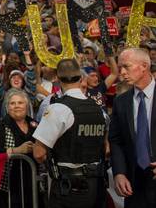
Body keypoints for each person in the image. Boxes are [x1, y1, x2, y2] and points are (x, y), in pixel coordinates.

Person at [33, 58, 107, 208]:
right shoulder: (97, 109)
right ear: (81, 78)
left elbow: (39, 153)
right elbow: (106, 148)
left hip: (68, 187)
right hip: (95, 185)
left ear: (58, 79)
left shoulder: (58, 108)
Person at [109, 48, 156, 207]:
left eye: (126, 66)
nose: (121, 72)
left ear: (144, 66)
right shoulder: (121, 102)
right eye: (119, 67)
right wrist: (119, 173)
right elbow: (116, 140)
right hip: (134, 185)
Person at [0, 88, 37, 208]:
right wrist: (17, 150)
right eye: (12, 103)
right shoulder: (1, 127)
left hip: (33, 183)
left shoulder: (35, 124)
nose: (16, 106)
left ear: (27, 105)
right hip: (9, 184)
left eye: (20, 103)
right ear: (7, 107)